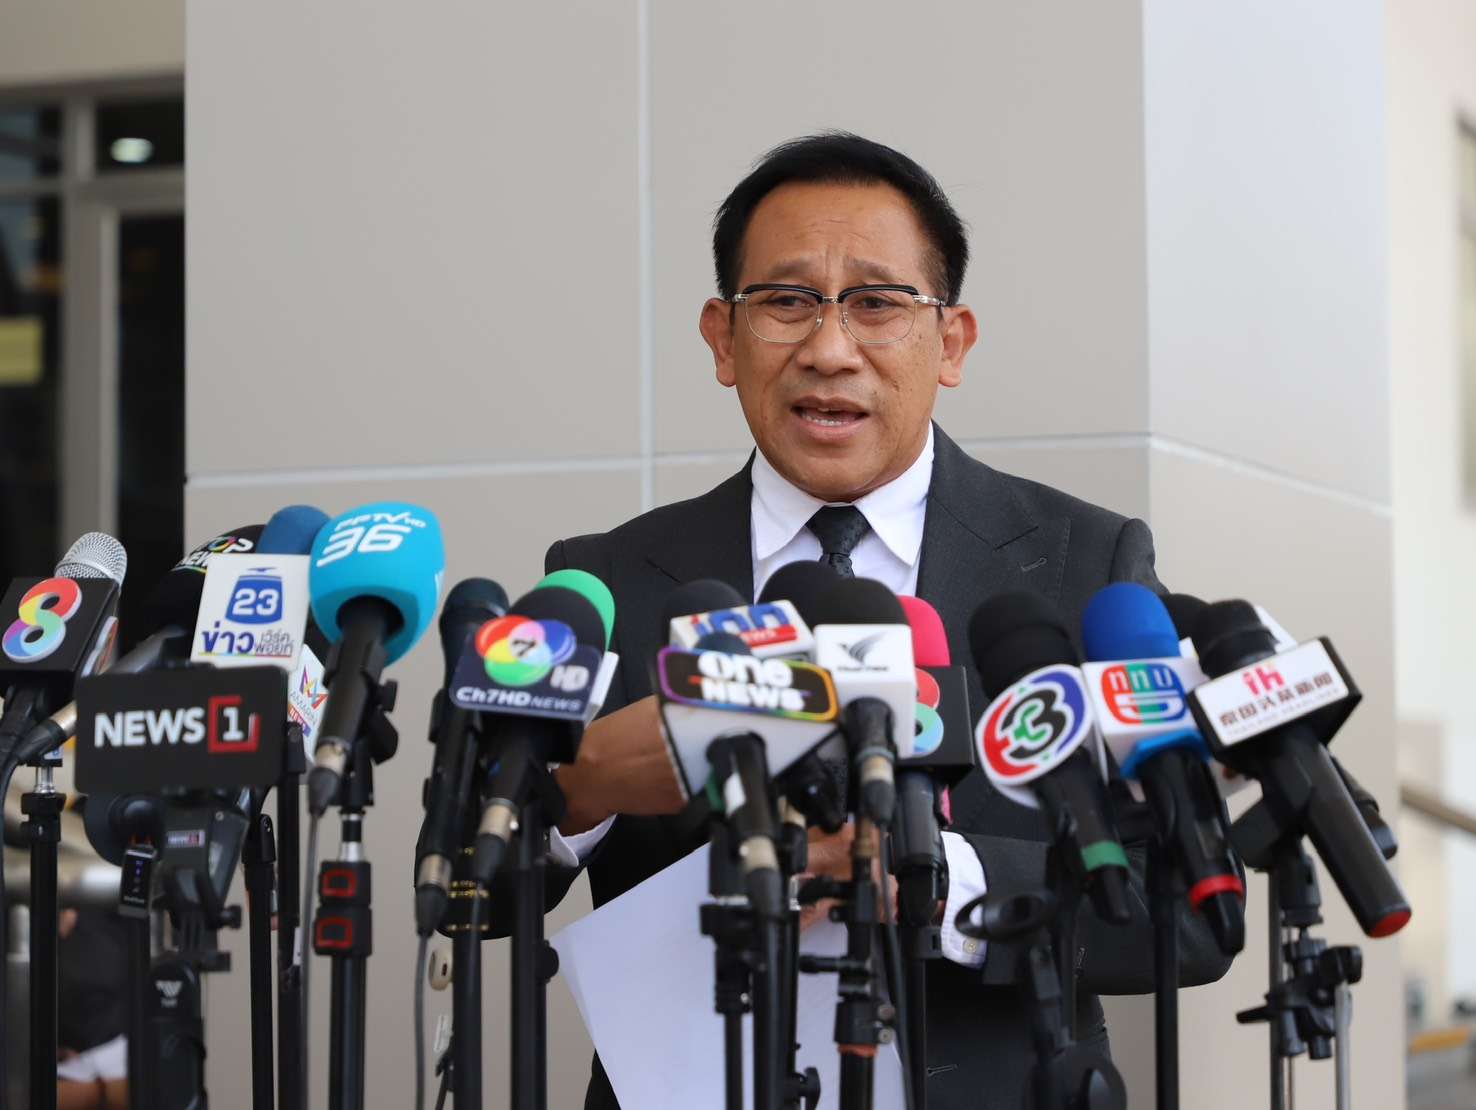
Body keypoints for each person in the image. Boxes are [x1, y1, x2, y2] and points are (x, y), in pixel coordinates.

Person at [534, 132, 1231, 1109]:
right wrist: (581, 791)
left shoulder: (1083, 566)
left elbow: (1189, 915)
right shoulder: (606, 578)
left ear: (951, 342)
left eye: (877, 303)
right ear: (722, 339)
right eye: (786, 301)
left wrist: (935, 880)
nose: (829, 350)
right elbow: (479, 895)